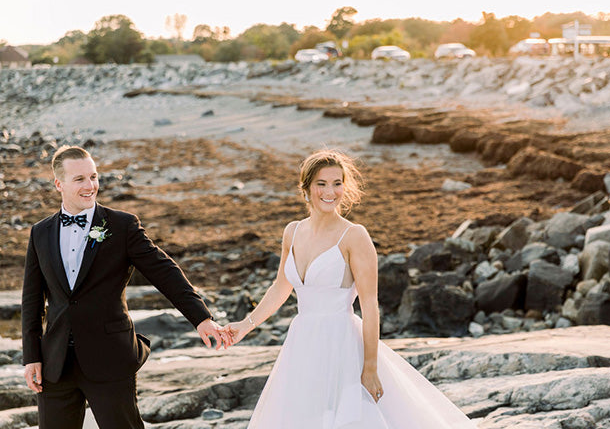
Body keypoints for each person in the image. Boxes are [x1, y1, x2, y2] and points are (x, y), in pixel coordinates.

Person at [225, 149, 477, 428]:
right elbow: (280, 288)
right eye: (321, 184)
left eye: (337, 183)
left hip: (342, 342)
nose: (330, 192)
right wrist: (245, 326)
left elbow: (370, 307)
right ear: (306, 187)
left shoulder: (354, 236)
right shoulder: (292, 232)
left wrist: (370, 366)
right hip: (302, 342)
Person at [21, 145, 231, 429]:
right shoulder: (40, 232)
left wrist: (201, 318)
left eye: (93, 177)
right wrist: (31, 356)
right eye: (80, 179)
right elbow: (32, 300)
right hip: (56, 363)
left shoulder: (121, 225)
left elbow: (164, 271)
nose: (91, 185)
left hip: (110, 358)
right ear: (59, 184)